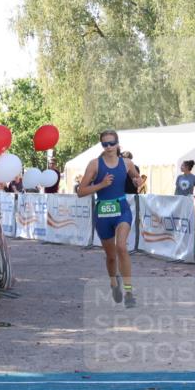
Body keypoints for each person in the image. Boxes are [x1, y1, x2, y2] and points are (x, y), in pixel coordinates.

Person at [77, 129, 143, 308]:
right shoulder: (94, 165)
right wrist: (101, 184)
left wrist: (138, 181)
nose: (108, 147)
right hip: (103, 213)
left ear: (117, 144)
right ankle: (114, 283)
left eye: (111, 143)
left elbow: (137, 178)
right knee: (111, 256)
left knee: (121, 247)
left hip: (122, 209)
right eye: (105, 144)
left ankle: (129, 292)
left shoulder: (127, 163)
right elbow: (81, 191)